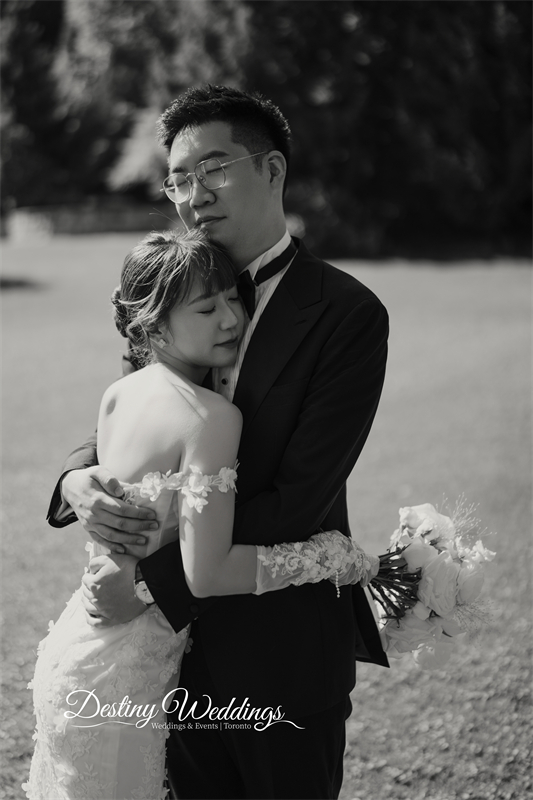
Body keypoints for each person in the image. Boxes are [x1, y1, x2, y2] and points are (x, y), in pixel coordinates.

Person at [47, 85, 390, 799]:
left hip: (279, 656)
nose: (193, 195)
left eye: (213, 169)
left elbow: (300, 497)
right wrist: (76, 480)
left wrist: (149, 583)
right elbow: (142, 404)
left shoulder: (348, 314)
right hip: (168, 665)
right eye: (178, 179)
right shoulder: (178, 284)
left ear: (272, 170)